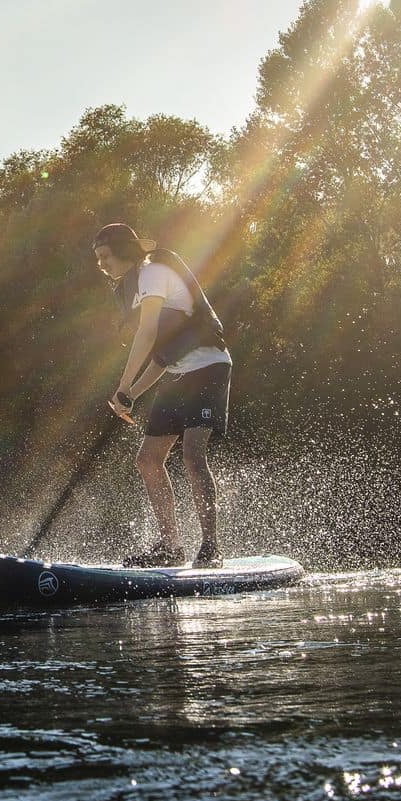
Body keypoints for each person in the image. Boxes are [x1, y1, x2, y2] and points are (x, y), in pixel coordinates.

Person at [91, 223, 233, 569]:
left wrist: (123, 386)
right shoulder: (137, 286)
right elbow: (161, 356)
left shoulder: (152, 272)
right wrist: (131, 396)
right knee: (148, 459)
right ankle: (171, 547)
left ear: (125, 250)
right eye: (98, 259)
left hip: (208, 366)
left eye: (106, 256)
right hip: (177, 373)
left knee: (192, 454)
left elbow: (148, 333)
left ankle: (211, 547)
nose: (102, 264)